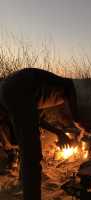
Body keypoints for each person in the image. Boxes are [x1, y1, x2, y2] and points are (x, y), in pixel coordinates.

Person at [0, 67, 82, 200]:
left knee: (23, 144)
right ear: (69, 102)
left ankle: (23, 178)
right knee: (31, 154)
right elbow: (70, 84)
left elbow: (36, 120)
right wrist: (77, 120)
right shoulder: (64, 88)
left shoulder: (46, 95)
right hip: (15, 90)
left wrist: (58, 132)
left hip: (7, 90)